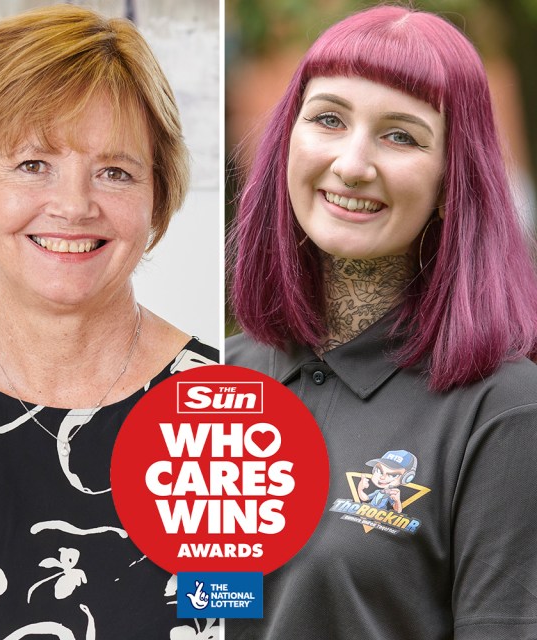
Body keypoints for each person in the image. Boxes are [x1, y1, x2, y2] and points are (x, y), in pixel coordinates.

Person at [0, 5, 219, 638]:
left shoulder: (229, 420)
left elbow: (234, 620)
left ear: (156, 196)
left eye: (115, 172)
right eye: (33, 164)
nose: (75, 206)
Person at [227, 5, 537, 638]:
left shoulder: (505, 412)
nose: (352, 163)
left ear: (454, 180)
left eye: (401, 135)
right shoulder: (215, 381)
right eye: (328, 119)